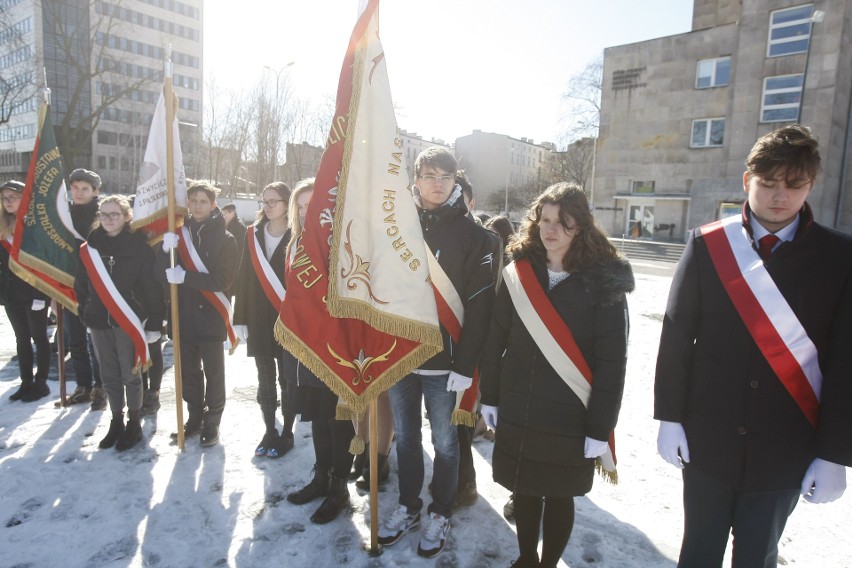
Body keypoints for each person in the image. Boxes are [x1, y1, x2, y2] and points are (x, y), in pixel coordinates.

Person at [654, 125, 852, 568]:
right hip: (709, 438)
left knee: (757, 558)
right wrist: (669, 415)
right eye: (768, 183)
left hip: (786, 446)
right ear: (747, 181)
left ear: (811, 186)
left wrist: (835, 452)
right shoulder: (709, 244)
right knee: (698, 552)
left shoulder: (840, 256)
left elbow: (846, 363)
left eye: (794, 184)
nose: (779, 195)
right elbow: (677, 333)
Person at [479, 182, 632, 568]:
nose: (551, 230)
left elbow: (613, 362)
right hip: (520, 406)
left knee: (560, 496)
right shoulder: (519, 273)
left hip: (571, 414)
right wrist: (491, 396)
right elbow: (495, 337)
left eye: (563, 223)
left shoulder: (603, 281)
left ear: (580, 227)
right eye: (545, 220)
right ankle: (528, 559)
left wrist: (601, 427)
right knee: (526, 491)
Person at [377, 147, 499, 558]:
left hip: (446, 367)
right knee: (407, 441)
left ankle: (440, 510)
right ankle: (409, 504)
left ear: (455, 181)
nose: (435, 183)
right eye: (428, 174)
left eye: (444, 176)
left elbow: (482, 308)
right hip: (400, 358)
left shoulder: (478, 237)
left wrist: (466, 366)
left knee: (446, 444)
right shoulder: (396, 227)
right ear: (415, 179)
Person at [283, 178, 357, 525]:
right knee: (317, 418)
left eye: (311, 205)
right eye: (299, 206)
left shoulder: (341, 243)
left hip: (337, 344)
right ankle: (321, 477)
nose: (304, 211)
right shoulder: (295, 242)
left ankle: (339, 487)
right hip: (307, 346)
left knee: (337, 419)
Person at [75, 196, 164, 450]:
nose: (108, 219)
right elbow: (81, 285)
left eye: (114, 214)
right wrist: (85, 310)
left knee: (131, 374)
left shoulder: (140, 248)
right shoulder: (89, 248)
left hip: (129, 320)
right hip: (98, 320)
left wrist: (155, 321)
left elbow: (152, 287)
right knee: (108, 375)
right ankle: (116, 422)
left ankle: (134, 422)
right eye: (103, 214)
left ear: (127, 217)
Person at [158, 181, 237, 447]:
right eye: (193, 201)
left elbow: (223, 281)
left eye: (203, 201)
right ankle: (194, 417)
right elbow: (162, 275)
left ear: (213, 204)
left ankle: (212, 421)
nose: (197, 205)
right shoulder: (178, 234)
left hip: (211, 316)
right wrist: (164, 250)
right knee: (188, 372)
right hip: (183, 315)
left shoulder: (226, 239)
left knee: (214, 374)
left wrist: (186, 277)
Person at [233, 181, 296, 458]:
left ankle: (287, 433)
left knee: (287, 379)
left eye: (274, 201)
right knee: (265, 379)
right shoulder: (252, 234)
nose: (267, 207)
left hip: (289, 320)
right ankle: (269, 429)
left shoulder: (299, 235)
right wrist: (240, 318)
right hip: (258, 318)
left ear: (287, 204)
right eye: (264, 201)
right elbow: (244, 277)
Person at [0, 180, 52, 402]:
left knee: (39, 337)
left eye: (13, 197)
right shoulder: (2, 225)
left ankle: (41, 383)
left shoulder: (35, 226)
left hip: (34, 292)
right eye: (4, 198)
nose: (8, 202)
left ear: (24, 199)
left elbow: (45, 262)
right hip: (12, 293)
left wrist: (41, 294)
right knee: (21, 339)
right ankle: (26, 383)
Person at [65, 168, 105, 410]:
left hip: (95, 285)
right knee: (75, 338)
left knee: (95, 340)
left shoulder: (102, 215)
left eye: (85, 189)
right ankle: (83, 385)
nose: (79, 193)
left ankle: (101, 386)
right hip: (68, 283)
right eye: (75, 188)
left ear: (95, 191)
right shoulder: (62, 214)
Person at [221, 202, 246, 299]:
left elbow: (240, 249)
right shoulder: (228, 225)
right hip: (228, 264)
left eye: (225, 213)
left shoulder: (238, 227)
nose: (223, 216)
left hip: (234, 266)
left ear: (232, 213)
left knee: (229, 293)